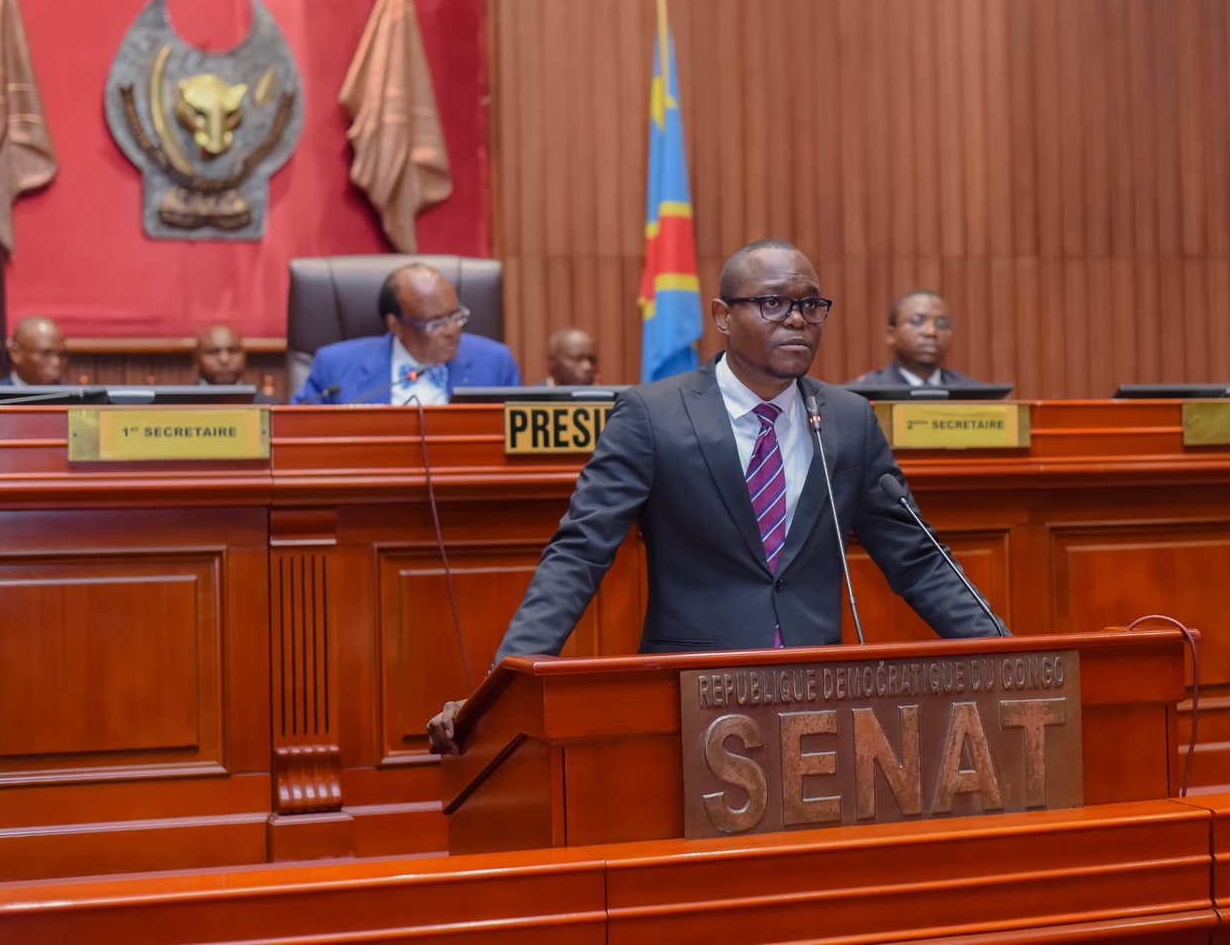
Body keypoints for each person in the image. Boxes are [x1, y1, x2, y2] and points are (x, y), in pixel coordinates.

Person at [428, 240, 1007, 753]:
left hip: (818, 694)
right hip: (690, 696)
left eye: (811, 305)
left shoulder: (848, 419)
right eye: (773, 303)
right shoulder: (651, 415)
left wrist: (1006, 653)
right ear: (722, 317)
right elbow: (578, 555)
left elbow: (917, 557)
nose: (798, 321)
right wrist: (496, 692)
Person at [291, 263, 520, 404]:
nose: (452, 330)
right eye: (436, 322)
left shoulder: (496, 364)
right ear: (396, 325)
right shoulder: (335, 367)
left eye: (455, 316)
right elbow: (295, 434)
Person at [851, 289, 981, 387]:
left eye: (942, 324)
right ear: (891, 335)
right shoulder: (863, 393)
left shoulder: (976, 394)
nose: (931, 331)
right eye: (917, 321)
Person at [0, 316, 68, 404]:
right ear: (16, 354)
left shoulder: (80, 403)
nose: (56, 362)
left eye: (62, 354)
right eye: (46, 353)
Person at [194, 323, 277, 403]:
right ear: (196, 358)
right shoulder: (181, 405)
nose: (224, 359)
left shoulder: (268, 407)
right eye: (213, 352)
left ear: (244, 356)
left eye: (233, 351)